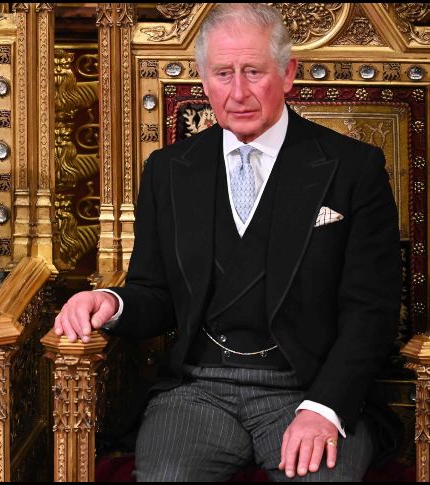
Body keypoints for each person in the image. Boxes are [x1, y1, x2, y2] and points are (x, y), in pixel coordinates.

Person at [54, 3, 400, 482]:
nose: (238, 93)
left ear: (287, 73)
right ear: (204, 79)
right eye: (223, 74)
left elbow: (372, 311)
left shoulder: (353, 168)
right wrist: (110, 303)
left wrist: (325, 407)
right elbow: (155, 294)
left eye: (253, 71)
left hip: (307, 387)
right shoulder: (169, 170)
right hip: (199, 390)